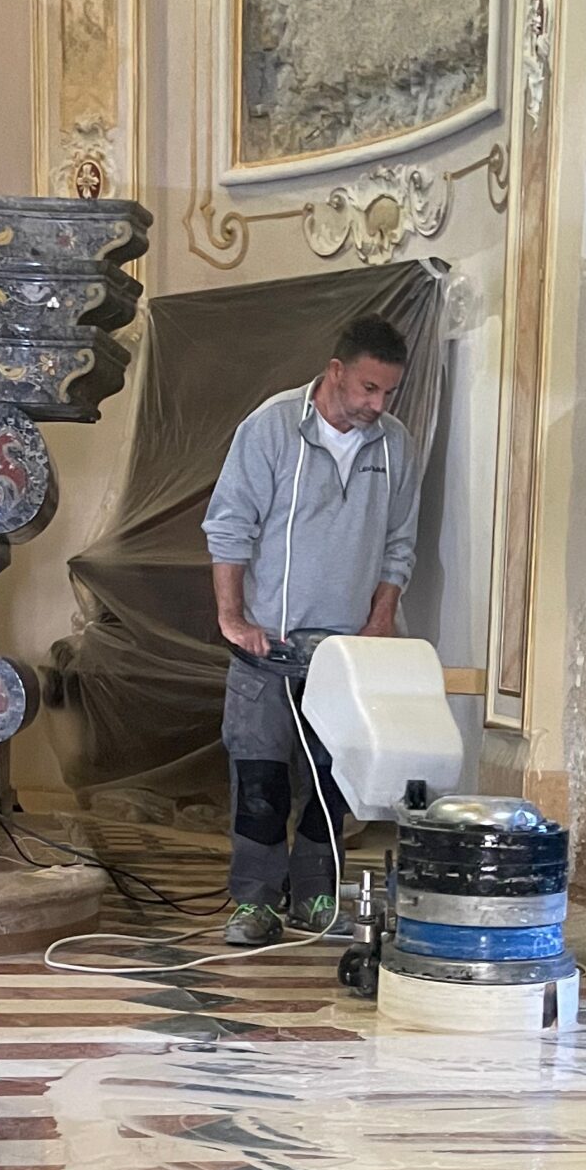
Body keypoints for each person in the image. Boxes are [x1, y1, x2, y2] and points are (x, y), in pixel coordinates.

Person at [202, 314, 424, 947]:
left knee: (333, 783)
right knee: (262, 782)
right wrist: (232, 618)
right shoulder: (271, 428)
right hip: (268, 646)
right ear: (335, 372)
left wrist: (380, 619)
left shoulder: (395, 446)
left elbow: (399, 543)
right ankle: (255, 903)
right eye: (368, 389)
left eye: (388, 393)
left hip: (346, 653)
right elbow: (229, 527)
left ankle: (316, 896)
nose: (377, 406)